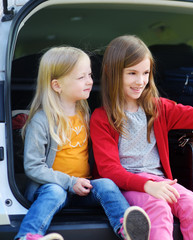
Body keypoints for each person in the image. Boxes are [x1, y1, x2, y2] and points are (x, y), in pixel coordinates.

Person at [90, 35, 193, 240]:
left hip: (159, 182)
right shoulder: (101, 118)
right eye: (132, 73)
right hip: (126, 187)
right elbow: (109, 170)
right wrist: (148, 186)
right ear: (111, 73)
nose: (140, 81)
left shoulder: (159, 108)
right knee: (159, 208)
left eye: (145, 73)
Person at [15, 46, 150, 240]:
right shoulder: (41, 121)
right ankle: (28, 235)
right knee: (55, 192)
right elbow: (33, 167)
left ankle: (126, 229)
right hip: (53, 187)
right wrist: (70, 182)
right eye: (81, 78)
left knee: (106, 184)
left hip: (83, 188)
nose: (90, 81)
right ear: (57, 85)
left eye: (90, 75)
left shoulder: (85, 114)